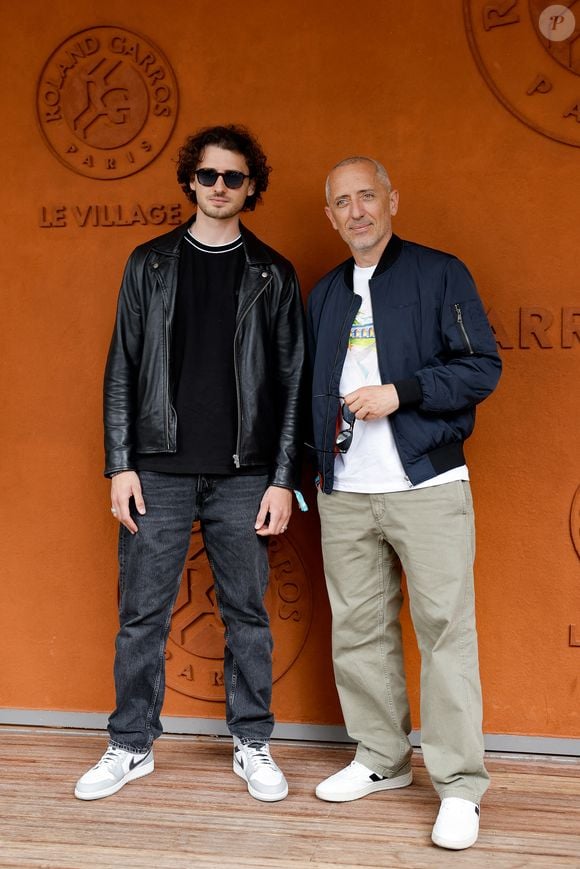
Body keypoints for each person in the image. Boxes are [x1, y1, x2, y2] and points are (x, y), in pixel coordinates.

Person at [75, 125, 306, 803]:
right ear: (190, 181)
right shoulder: (147, 264)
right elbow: (120, 367)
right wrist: (120, 463)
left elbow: (294, 382)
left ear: (252, 187)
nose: (219, 188)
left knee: (248, 614)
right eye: (208, 175)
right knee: (142, 612)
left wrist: (284, 477)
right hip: (157, 472)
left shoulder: (275, 274)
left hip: (244, 473)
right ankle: (131, 742)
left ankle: (252, 741)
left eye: (234, 178)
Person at [307, 156, 501, 850]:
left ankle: (458, 786)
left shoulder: (439, 272)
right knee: (358, 631)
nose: (356, 210)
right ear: (330, 216)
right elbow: (309, 392)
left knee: (446, 633)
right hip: (347, 492)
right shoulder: (325, 294)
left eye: (367, 195)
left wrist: (403, 392)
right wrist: (312, 472)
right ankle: (381, 759)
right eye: (342, 201)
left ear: (392, 198)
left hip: (426, 485)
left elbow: (482, 365)